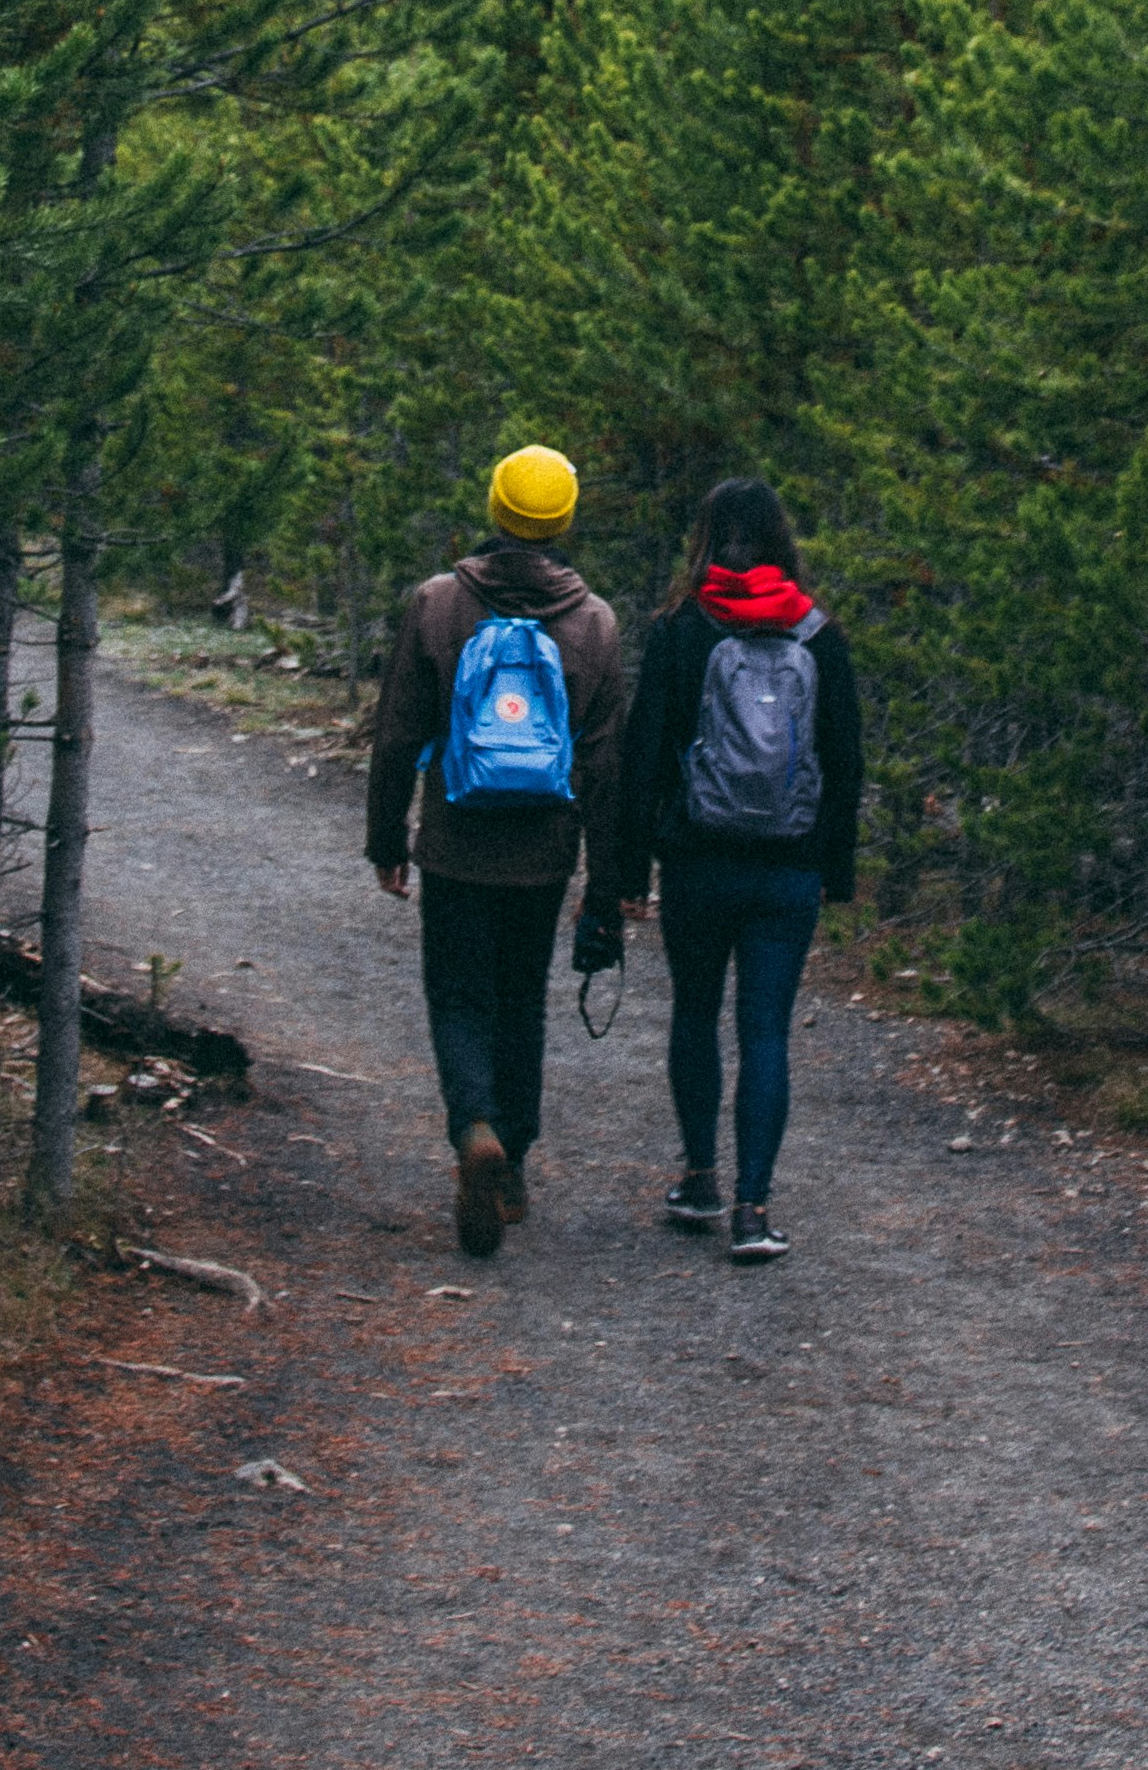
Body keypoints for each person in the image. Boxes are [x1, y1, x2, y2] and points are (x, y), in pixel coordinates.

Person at [585, 474, 862, 1265]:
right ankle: (754, 1208)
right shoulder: (818, 633)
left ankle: (700, 1175)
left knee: (695, 1013)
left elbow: (643, 755)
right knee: (767, 1029)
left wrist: (631, 870)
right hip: (789, 867)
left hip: (699, 859)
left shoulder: (681, 628)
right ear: (783, 537)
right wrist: (833, 873)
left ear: (705, 537)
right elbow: (845, 760)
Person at [365, 442, 631, 1259]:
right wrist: (607, 880)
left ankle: (472, 1124)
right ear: (564, 519)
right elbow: (605, 765)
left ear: (495, 505)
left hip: (453, 839)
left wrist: (387, 837)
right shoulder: (595, 621)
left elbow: (400, 729)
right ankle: (511, 1153)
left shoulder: (440, 601)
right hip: (543, 851)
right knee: (521, 997)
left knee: (457, 993)